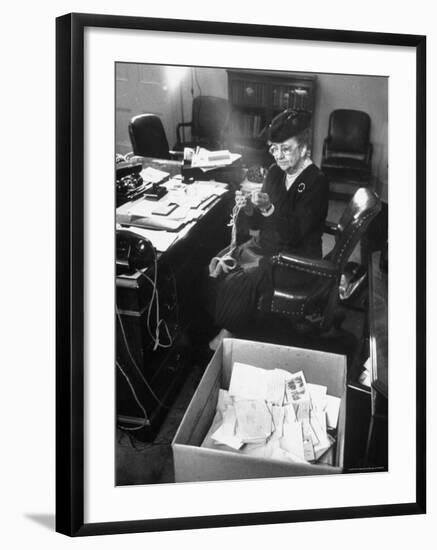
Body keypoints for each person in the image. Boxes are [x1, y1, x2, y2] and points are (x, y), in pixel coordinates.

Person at [208, 109, 329, 345]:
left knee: (238, 279)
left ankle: (228, 335)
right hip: (268, 247)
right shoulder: (275, 173)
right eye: (274, 148)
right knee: (223, 261)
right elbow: (257, 225)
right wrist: (249, 208)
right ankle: (238, 325)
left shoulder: (316, 182)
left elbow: (294, 235)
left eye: (286, 148)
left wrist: (268, 209)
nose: (279, 156)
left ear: (304, 147)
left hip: (296, 259)